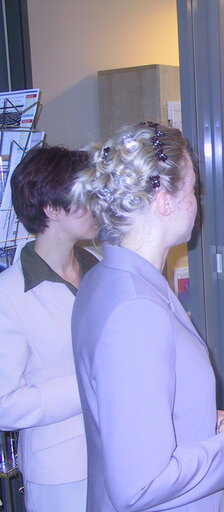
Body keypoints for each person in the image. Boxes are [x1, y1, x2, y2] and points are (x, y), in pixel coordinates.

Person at [70, 122, 224, 511]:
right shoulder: (134, 309)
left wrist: (200, 415)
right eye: (192, 189)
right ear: (165, 200)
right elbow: (141, 485)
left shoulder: (109, 278)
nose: (196, 202)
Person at [0, 146, 99, 511]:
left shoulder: (102, 268)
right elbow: (5, 404)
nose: (97, 203)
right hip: (61, 469)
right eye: (85, 195)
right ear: (52, 209)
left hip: (121, 448)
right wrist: (89, 384)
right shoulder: (9, 295)